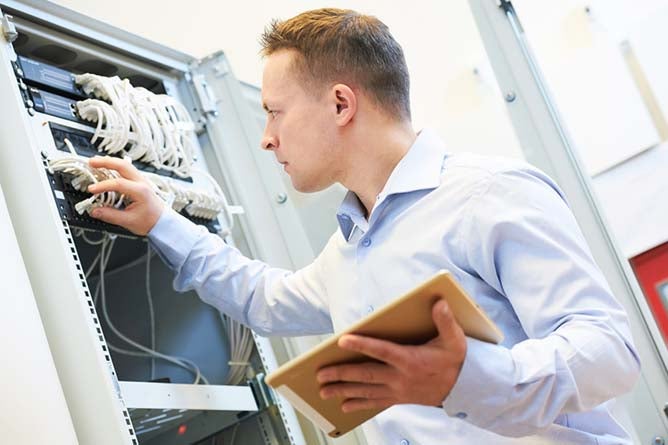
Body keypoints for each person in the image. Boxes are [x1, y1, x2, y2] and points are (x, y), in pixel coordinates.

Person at [86, 8, 640, 444]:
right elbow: (264, 298)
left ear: (341, 104)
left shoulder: (490, 196)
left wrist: (467, 375)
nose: (266, 138)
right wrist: (161, 219)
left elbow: (608, 349)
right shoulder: (348, 250)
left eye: (275, 112)